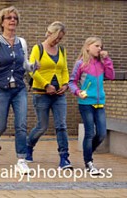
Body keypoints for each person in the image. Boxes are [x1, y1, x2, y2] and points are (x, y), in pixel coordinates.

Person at [0, 6, 32, 174]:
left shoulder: (22, 42)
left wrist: (33, 66)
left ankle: (21, 159)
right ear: (2, 22)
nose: (12, 20)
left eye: (15, 18)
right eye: (9, 18)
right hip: (2, 89)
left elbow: (25, 64)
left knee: (21, 124)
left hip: (19, 88)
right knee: (0, 125)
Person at [25, 21, 72, 170]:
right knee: (42, 126)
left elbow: (64, 69)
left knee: (61, 125)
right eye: (57, 37)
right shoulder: (37, 49)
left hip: (59, 95)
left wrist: (65, 84)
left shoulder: (62, 50)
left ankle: (64, 158)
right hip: (41, 93)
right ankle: (28, 146)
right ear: (50, 33)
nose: (58, 41)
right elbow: (32, 70)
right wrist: (46, 85)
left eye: (60, 39)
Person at [69, 37, 114, 174]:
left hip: (100, 103)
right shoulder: (80, 63)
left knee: (101, 134)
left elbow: (111, 76)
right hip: (86, 103)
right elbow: (72, 82)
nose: (100, 48)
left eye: (101, 46)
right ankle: (88, 162)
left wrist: (107, 60)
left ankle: (88, 152)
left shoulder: (102, 63)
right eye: (97, 46)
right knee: (90, 133)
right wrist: (78, 91)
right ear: (88, 47)